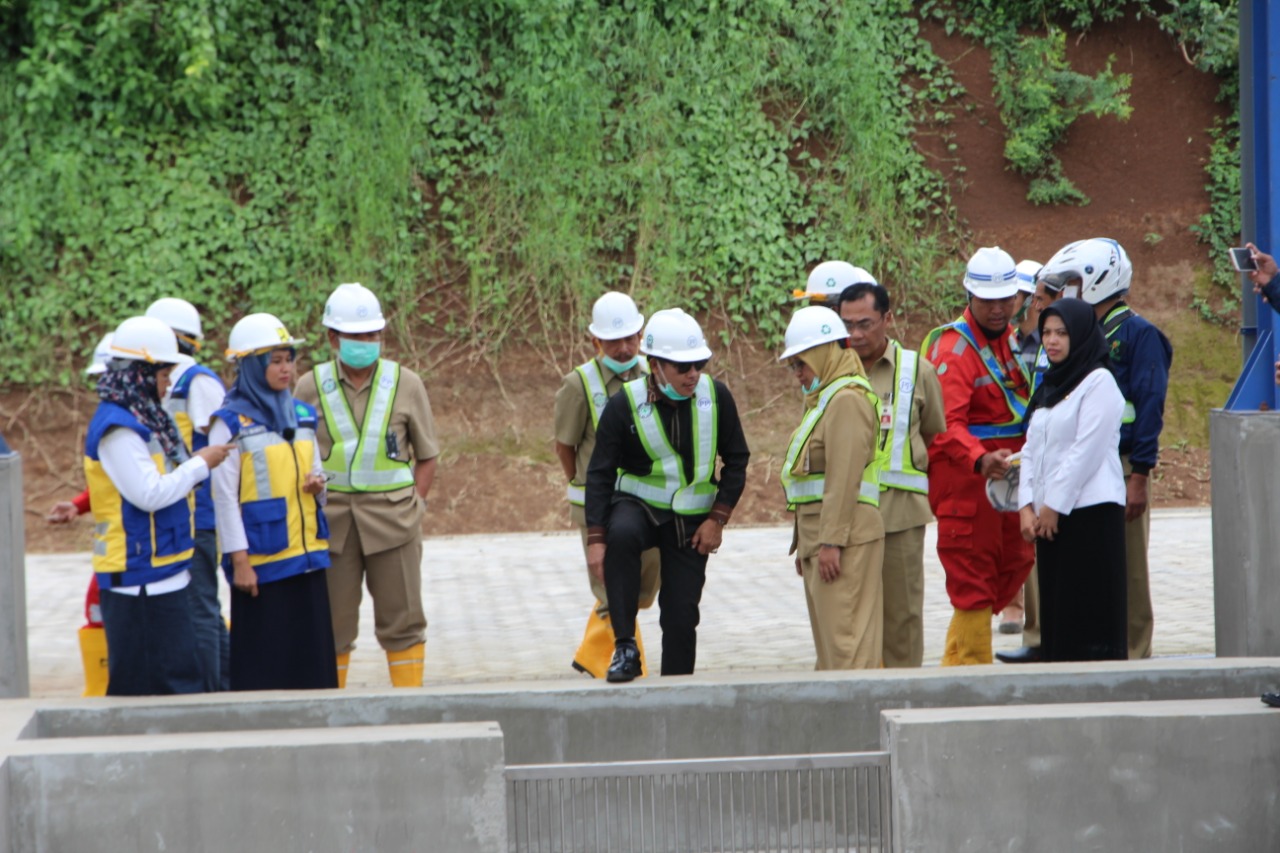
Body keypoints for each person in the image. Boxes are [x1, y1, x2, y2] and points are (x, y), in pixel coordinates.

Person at [585, 308, 751, 683]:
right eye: (682, 367)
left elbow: (738, 460)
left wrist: (717, 519)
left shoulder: (717, 397)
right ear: (656, 366)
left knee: (680, 614)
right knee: (622, 535)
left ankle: (677, 686)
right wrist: (596, 539)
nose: (693, 374)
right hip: (638, 507)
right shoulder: (623, 404)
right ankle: (625, 646)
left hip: (691, 523)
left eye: (699, 364)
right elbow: (599, 474)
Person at [294, 283, 439, 688]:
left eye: (372, 335)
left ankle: (410, 707)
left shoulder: (407, 383)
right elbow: (297, 453)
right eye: (356, 336)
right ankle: (330, 710)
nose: (366, 343)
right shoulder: (308, 386)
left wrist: (417, 506)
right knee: (331, 625)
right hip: (332, 525)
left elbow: (427, 455)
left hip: (394, 523)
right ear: (332, 338)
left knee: (405, 621)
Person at [1037, 238, 1171, 660]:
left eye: (1073, 282)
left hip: (1122, 464)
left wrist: (1140, 475)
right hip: (1077, 468)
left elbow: (1149, 406)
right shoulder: (1076, 333)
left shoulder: (1137, 334)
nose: (1066, 292)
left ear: (1097, 281)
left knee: (1127, 570)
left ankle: (1132, 651)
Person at [83, 316, 231, 695]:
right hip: (137, 581)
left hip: (162, 572)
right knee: (147, 689)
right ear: (140, 373)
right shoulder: (118, 428)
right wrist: (201, 464)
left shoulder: (145, 418)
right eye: (163, 375)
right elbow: (147, 494)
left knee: (180, 682)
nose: (167, 385)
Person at [209, 313, 337, 691]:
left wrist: (319, 486)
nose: (286, 370)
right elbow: (225, 499)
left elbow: (317, 472)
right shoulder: (228, 423)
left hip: (308, 558)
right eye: (275, 361)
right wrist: (240, 562)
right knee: (266, 669)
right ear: (251, 366)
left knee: (313, 668)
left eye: (289, 359)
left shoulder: (301, 414)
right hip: (262, 568)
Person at [922, 247, 1035, 665]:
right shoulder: (954, 349)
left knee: (1012, 566)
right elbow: (944, 424)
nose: (998, 308)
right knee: (973, 584)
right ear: (969, 296)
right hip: (970, 488)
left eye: (1007, 299)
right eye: (988, 301)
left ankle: (954, 670)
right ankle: (971, 681)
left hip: (1009, 483)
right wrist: (979, 458)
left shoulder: (1012, 340)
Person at [835, 280, 944, 667]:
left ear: (888, 318)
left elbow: (930, 433)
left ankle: (905, 696)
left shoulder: (919, 371)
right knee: (848, 619)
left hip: (899, 516)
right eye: (846, 324)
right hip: (843, 519)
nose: (856, 334)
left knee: (902, 617)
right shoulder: (828, 371)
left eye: (865, 323)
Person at [553, 292, 661, 678]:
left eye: (631, 338)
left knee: (642, 589)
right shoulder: (578, 383)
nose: (623, 347)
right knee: (612, 587)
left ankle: (590, 653)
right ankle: (625, 663)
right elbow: (565, 445)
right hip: (597, 506)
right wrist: (581, 482)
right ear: (594, 342)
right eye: (613, 341)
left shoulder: (655, 374)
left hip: (647, 503)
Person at [1017, 299, 1128, 661]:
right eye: (1046, 332)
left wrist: (1052, 506)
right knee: (1059, 616)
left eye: (1062, 333)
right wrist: (1025, 508)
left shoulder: (1099, 382)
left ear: (1080, 335)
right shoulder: (1050, 385)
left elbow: (1085, 452)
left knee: (1089, 615)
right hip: (1051, 518)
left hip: (1090, 514)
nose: (1052, 341)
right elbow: (1031, 449)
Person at [778, 305, 886, 669]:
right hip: (825, 539)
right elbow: (811, 482)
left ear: (822, 356)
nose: (797, 375)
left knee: (847, 648)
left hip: (845, 541)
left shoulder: (846, 401)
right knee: (832, 648)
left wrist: (830, 543)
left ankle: (857, 722)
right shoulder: (826, 400)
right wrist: (806, 545)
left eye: (801, 364)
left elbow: (842, 480)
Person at [146, 297, 230, 691]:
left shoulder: (197, 383)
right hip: (182, 513)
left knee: (199, 610)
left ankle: (213, 698)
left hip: (202, 517)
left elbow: (223, 451)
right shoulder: (168, 383)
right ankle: (227, 689)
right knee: (204, 612)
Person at [47, 332, 116, 696]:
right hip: (114, 551)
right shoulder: (110, 422)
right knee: (97, 611)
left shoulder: (128, 425)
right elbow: (110, 481)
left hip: (132, 553)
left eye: (106, 377)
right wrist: (78, 505)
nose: (100, 386)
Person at [998, 258, 1044, 636]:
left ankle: (1038, 617)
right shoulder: (1006, 342)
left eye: (1023, 296)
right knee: (1015, 527)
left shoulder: (1052, 338)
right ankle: (1013, 605)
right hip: (1015, 446)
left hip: (1043, 444)